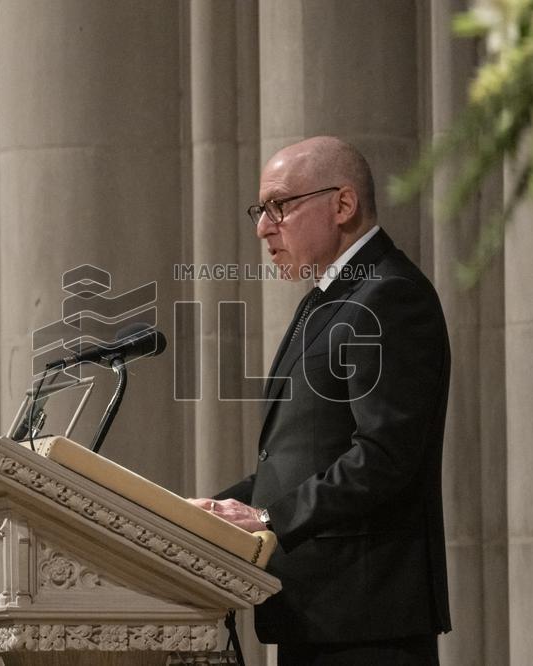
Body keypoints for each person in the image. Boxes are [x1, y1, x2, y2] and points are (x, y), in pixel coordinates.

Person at [189, 136, 451, 665]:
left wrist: (267, 518)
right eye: (260, 211)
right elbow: (299, 457)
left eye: (279, 206)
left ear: (344, 204)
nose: (263, 226)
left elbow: (384, 456)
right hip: (316, 613)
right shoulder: (327, 300)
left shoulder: (390, 296)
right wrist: (209, 513)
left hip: (366, 623)